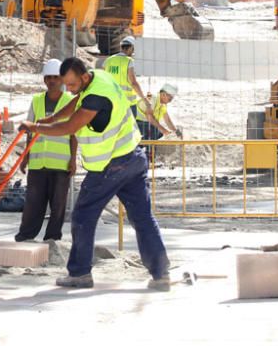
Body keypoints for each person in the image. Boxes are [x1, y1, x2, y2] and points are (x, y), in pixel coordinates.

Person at [20, 57, 170, 291]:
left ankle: (80, 274)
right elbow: (76, 102)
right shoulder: (99, 77)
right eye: (65, 85)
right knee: (142, 218)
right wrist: (51, 118)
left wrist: (36, 127)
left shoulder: (95, 97)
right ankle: (161, 275)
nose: (68, 89)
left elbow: (70, 127)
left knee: (82, 217)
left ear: (83, 77)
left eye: (71, 84)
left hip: (111, 165)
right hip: (134, 157)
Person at [15, 59, 77, 243]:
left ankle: (52, 238)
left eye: (56, 77)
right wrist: (25, 157)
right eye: (49, 77)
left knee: (58, 205)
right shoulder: (36, 101)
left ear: (62, 80)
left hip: (61, 163)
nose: (52, 81)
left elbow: (74, 134)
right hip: (38, 162)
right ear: (44, 80)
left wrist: (73, 160)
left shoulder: (70, 102)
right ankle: (25, 235)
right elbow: (29, 130)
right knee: (33, 203)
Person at [103, 35, 151, 118]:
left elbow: (104, 80)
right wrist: (144, 99)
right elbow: (133, 83)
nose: (133, 52)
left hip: (112, 101)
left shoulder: (108, 60)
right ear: (131, 48)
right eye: (133, 50)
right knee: (129, 129)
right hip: (127, 103)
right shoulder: (129, 61)